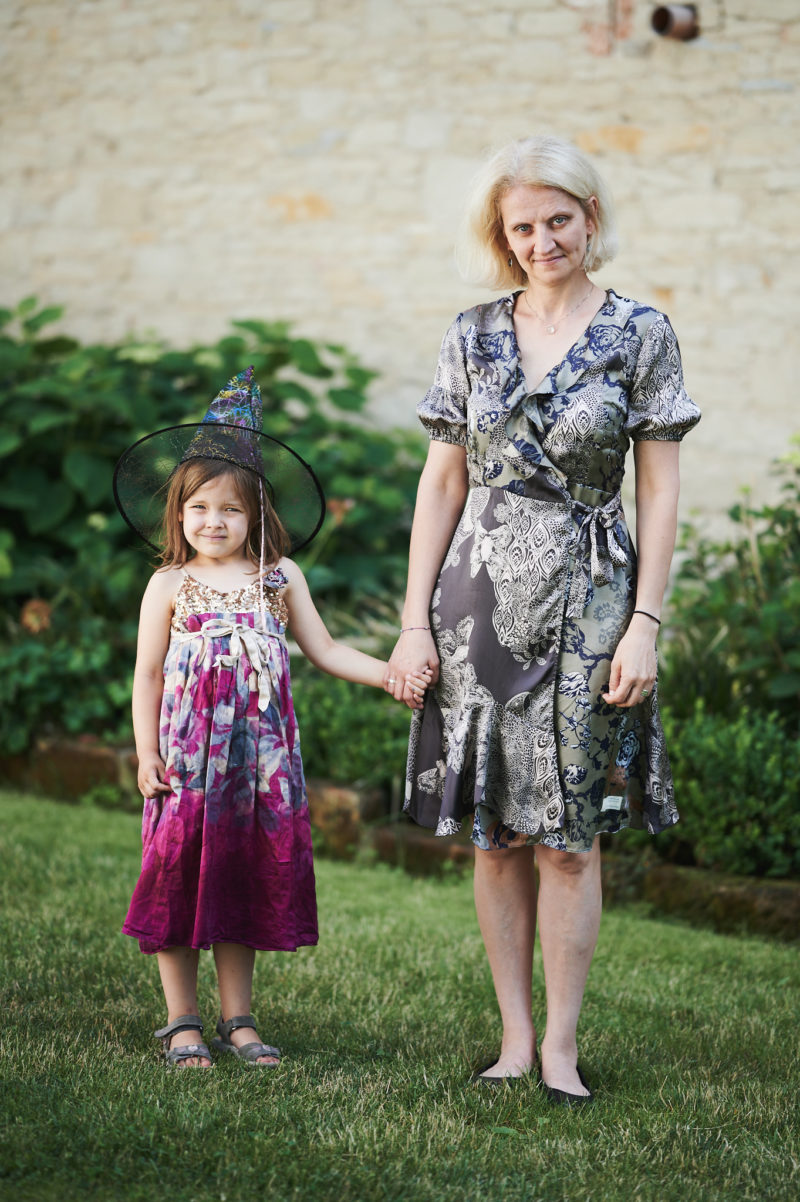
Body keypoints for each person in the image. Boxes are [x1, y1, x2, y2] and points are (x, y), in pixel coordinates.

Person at [385, 135, 700, 1103]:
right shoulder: (470, 333)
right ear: (502, 234)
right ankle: (513, 1039)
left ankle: (561, 1045)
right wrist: (412, 620)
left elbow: (658, 488)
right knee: (493, 831)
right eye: (521, 226)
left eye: (557, 219)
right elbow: (442, 481)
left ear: (588, 218)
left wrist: (645, 619)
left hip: (591, 601)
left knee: (567, 833)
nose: (541, 240)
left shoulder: (640, 332)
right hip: (476, 601)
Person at [114, 367, 429, 1068]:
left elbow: (326, 649)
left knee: (240, 878)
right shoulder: (169, 584)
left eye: (230, 509)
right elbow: (147, 673)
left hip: (258, 767)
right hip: (186, 765)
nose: (213, 522)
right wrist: (146, 752)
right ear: (178, 513)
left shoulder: (280, 578)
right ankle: (182, 1023)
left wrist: (390, 674)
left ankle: (240, 1020)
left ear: (255, 514)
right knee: (177, 875)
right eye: (199, 507)